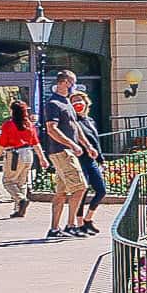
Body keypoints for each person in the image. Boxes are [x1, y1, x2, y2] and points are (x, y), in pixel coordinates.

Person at [39, 70, 93, 238]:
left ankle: (54, 229)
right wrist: (71, 145)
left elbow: (75, 126)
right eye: (72, 82)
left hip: (67, 151)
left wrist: (87, 145)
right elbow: (51, 129)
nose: (73, 86)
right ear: (64, 82)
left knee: (61, 193)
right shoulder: (53, 103)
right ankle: (70, 226)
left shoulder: (66, 102)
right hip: (62, 152)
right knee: (80, 187)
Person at [0, 100, 47, 217]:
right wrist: (42, 158)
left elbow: (1, 144)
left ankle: (21, 200)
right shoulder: (29, 124)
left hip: (14, 154)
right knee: (22, 182)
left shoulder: (8, 125)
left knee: (8, 181)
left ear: (12, 111)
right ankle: (19, 210)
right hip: (29, 153)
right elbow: (36, 143)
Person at [69, 89, 107, 235]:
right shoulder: (73, 121)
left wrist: (101, 160)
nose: (78, 103)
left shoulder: (90, 121)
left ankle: (88, 218)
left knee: (101, 190)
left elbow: (95, 141)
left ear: (86, 103)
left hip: (91, 160)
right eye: (74, 101)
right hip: (79, 159)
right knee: (82, 190)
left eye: (80, 100)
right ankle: (79, 223)